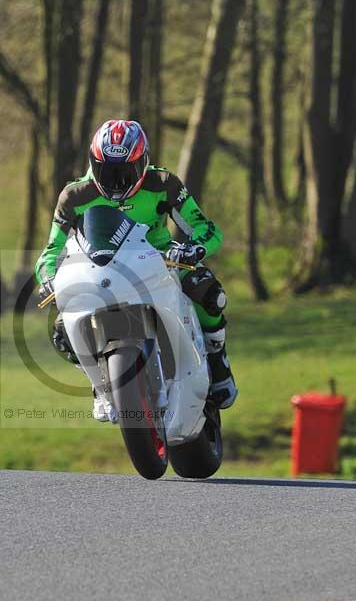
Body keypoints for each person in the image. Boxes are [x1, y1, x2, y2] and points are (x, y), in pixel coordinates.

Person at [35, 119, 237, 418]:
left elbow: (203, 227)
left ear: (143, 163)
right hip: (97, 271)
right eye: (107, 171)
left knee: (207, 289)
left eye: (125, 171)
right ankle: (100, 385)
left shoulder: (163, 184)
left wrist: (195, 248)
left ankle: (217, 359)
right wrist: (48, 277)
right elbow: (51, 250)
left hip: (160, 260)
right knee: (62, 330)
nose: (116, 182)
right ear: (92, 162)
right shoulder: (74, 195)